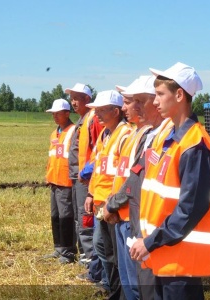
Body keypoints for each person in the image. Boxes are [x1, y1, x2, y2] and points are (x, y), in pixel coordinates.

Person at [130, 62, 210, 300]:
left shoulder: (194, 146)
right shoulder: (171, 140)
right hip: (165, 256)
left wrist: (150, 242)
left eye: (161, 94)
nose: (154, 101)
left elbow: (190, 209)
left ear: (180, 95)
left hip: (182, 263)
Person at [103, 75, 167, 300]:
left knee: (142, 287)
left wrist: (112, 203)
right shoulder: (144, 135)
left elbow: (135, 181)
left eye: (135, 100)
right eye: (131, 100)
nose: (127, 106)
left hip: (138, 222)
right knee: (132, 283)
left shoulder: (159, 137)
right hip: (129, 216)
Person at [84, 90, 132, 300]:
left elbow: (123, 175)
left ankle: (117, 291)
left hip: (113, 206)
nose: (97, 115)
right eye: (96, 111)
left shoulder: (125, 135)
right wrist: (91, 194)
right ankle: (112, 287)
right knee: (102, 247)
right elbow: (98, 169)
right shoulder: (105, 134)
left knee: (113, 252)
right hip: (101, 202)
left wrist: (112, 204)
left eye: (102, 110)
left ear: (115, 111)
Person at [64, 83, 103, 268]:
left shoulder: (93, 119)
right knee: (80, 217)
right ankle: (86, 255)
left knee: (85, 216)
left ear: (87, 99)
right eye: (71, 98)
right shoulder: (83, 120)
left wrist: (87, 173)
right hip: (77, 176)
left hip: (86, 179)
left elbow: (99, 151)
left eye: (76, 98)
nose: (73, 102)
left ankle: (90, 258)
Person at [44, 98, 77, 264]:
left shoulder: (73, 131)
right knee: (55, 216)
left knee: (66, 217)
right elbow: (53, 157)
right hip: (54, 181)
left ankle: (68, 251)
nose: (54, 116)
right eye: (53, 114)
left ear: (67, 113)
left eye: (58, 113)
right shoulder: (55, 133)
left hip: (66, 183)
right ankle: (58, 247)